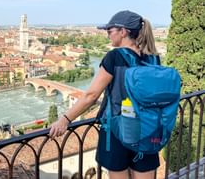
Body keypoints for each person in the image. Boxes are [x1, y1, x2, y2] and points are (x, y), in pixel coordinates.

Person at [49, 10, 160, 179]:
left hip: (117, 131)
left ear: (123, 32)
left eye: (110, 31)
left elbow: (91, 95)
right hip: (147, 129)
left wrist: (65, 119)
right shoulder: (152, 58)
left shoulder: (114, 57)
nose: (108, 35)